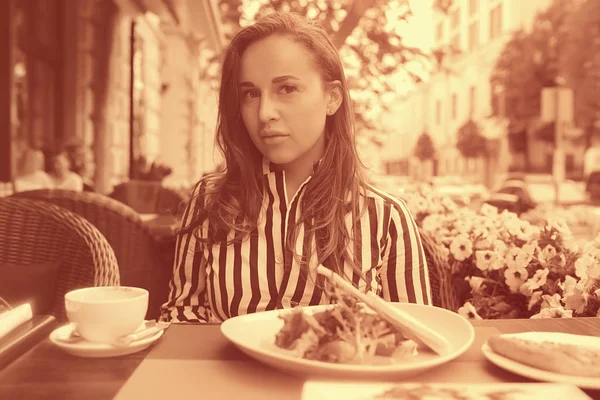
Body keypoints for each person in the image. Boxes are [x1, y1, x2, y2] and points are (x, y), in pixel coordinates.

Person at [160, 12, 431, 323]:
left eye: (286, 88)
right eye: (250, 94)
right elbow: (182, 313)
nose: (264, 113)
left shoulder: (385, 219)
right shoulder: (209, 202)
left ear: (332, 98)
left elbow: (417, 339)